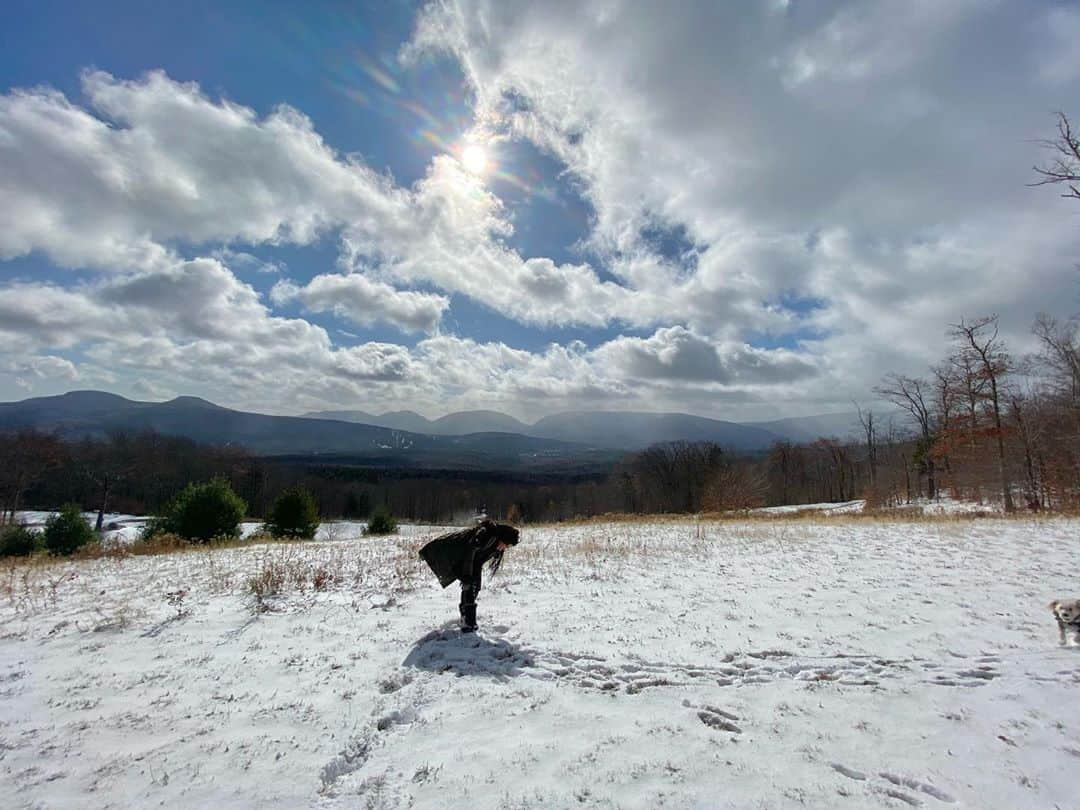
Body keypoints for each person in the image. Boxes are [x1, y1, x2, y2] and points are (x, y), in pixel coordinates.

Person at [418, 519, 520, 632]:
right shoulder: (486, 534)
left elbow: (478, 559)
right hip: (459, 556)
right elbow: (470, 551)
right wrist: (467, 574)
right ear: (504, 538)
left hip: (471, 562)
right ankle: (468, 623)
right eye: (507, 544)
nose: (506, 548)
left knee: (475, 587)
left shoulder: (495, 543)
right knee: (469, 587)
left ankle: (465, 617)